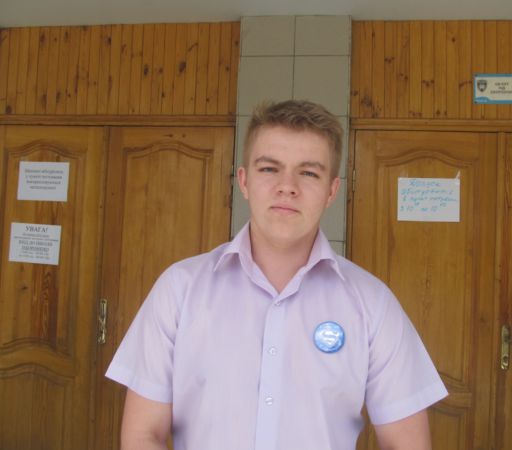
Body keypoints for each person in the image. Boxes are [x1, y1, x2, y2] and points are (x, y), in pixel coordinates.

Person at [106, 99, 448, 450]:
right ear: (244, 181)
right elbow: (142, 435)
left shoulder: (373, 303)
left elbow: (407, 444)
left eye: (309, 173)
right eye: (270, 169)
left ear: (332, 191)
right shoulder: (179, 289)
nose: (288, 186)